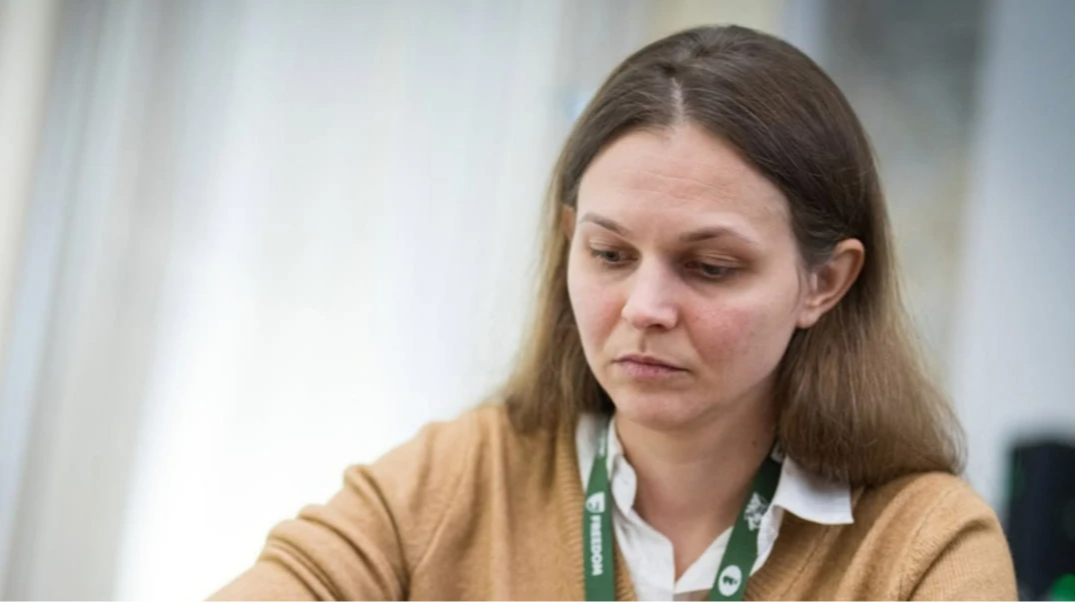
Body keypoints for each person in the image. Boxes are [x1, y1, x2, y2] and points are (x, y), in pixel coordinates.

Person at [210, 25, 1016, 601]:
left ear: (824, 283)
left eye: (710, 267)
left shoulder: (923, 547)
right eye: (609, 254)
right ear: (570, 240)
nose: (644, 307)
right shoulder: (458, 478)